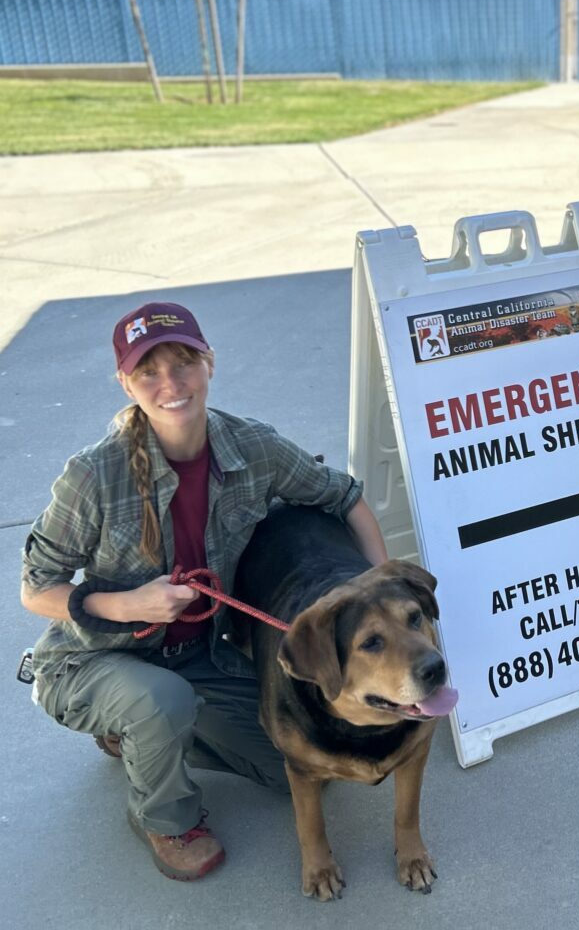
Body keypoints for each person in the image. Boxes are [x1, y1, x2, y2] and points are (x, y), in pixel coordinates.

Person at [20, 302, 389, 879]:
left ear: (209, 363)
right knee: (158, 702)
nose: (171, 384)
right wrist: (125, 604)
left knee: (286, 758)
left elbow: (343, 497)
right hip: (94, 659)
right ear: (126, 381)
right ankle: (165, 818)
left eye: (184, 362)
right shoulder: (93, 476)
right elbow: (35, 588)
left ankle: (143, 739)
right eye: (149, 371)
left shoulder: (252, 447)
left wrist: (378, 594)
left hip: (198, 655)